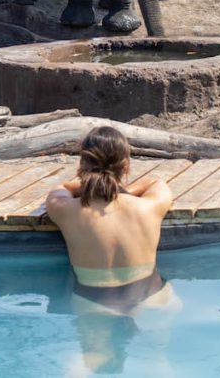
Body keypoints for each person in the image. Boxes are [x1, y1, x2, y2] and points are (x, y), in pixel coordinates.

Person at [45, 126, 176, 314]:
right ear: (126, 166)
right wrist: (117, 190)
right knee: (158, 343)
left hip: (93, 302)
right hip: (151, 296)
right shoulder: (149, 207)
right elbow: (157, 183)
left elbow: (62, 187)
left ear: (82, 165)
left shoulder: (65, 209)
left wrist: (95, 187)